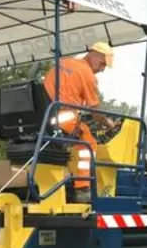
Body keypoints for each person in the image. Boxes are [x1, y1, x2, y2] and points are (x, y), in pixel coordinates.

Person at [42, 42, 118, 201]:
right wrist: (110, 124)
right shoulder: (87, 75)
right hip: (63, 118)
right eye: (102, 64)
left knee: (78, 134)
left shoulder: (64, 63)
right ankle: (83, 188)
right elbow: (95, 112)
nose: (102, 69)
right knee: (88, 144)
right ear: (94, 54)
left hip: (44, 117)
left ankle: (67, 178)